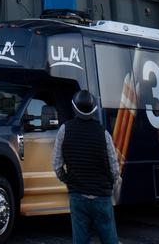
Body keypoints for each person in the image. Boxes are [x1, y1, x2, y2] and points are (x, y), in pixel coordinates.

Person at [52, 89, 121, 244]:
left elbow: (56, 164)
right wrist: (108, 184)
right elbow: (115, 169)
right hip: (102, 197)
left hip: (78, 196)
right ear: (93, 109)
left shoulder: (64, 130)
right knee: (109, 239)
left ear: (74, 108)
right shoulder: (103, 133)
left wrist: (69, 180)